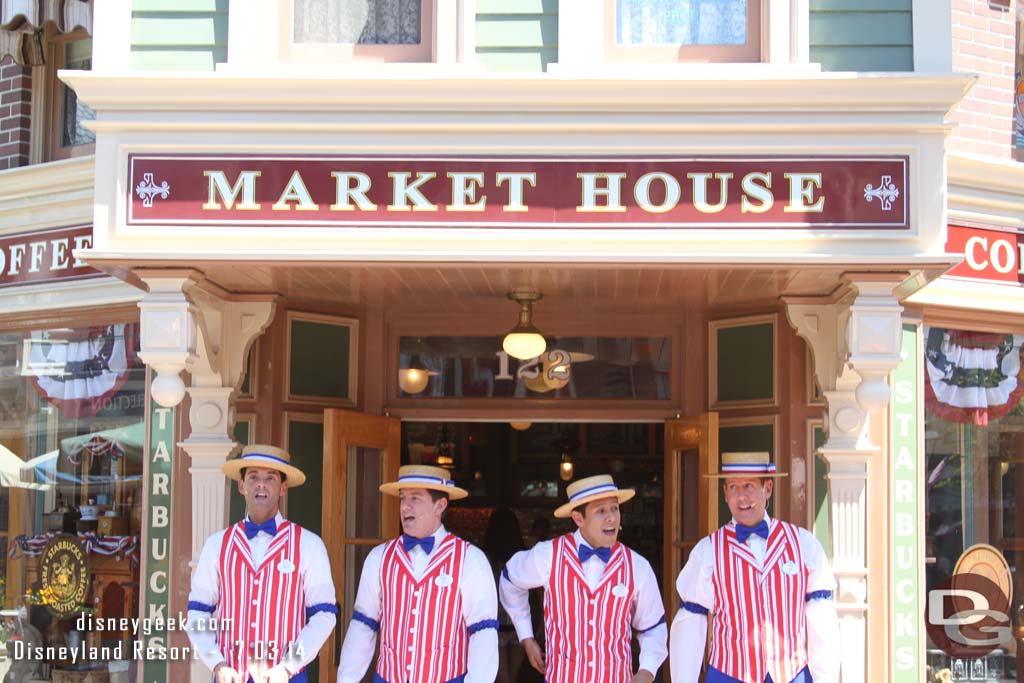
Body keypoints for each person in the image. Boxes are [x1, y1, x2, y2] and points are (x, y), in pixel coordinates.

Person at [670, 452, 841, 683]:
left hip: (792, 676)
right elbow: (691, 624)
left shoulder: (803, 544)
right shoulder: (708, 552)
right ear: (725, 494)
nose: (741, 497)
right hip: (729, 675)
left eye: (749, 485)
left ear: (767, 488)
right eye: (733, 487)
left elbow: (822, 620)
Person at [185, 445, 338, 683]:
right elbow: (197, 613)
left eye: (271, 478)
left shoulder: (308, 545)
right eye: (253, 477)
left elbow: (324, 617)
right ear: (241, 485)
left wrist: (287, 667)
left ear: (283, 487)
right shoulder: (217, 545)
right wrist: (216, 662)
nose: (261, 485)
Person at [336, 465, 499, 683]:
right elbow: (362, 626)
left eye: (415, 498)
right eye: (403, 498)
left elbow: (484, 636)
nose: (405, 507)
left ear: (440, 505)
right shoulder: (379, 558)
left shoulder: (470, 560)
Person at [500, 474, 667, 683]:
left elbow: (654, 627)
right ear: (578, 518)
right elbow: (510, 578)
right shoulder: (548, 556)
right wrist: (526, 636)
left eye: (615, 508)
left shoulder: (637, 566)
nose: (612, 518)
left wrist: (646, 671)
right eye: (601, 511)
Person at [481, 509, 527, 683]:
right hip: (520, 625)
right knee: (512, 678)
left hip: (494, 625)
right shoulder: (522, 555)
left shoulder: (484, 557)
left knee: (503, 679)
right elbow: (537, 590)